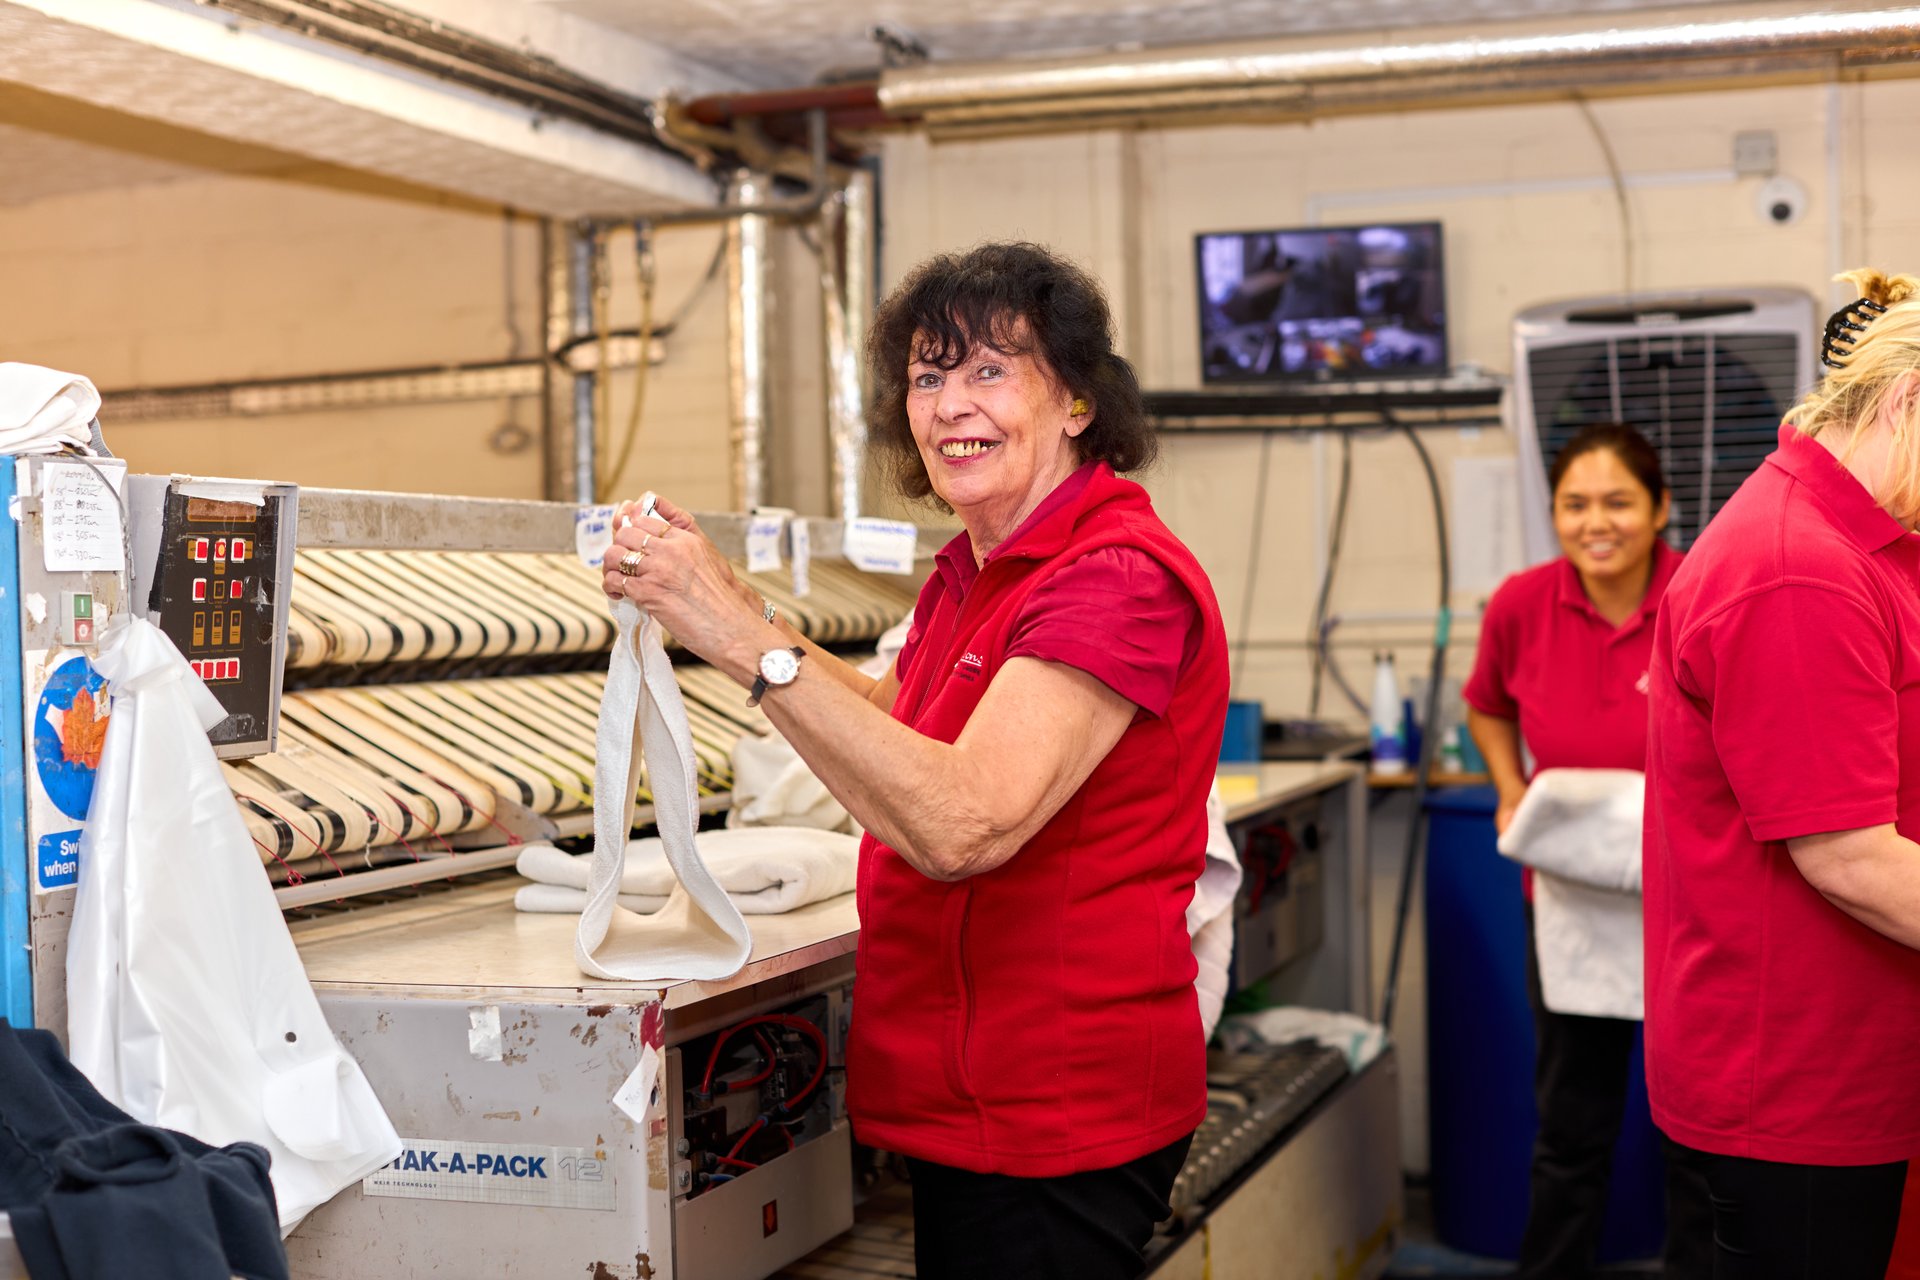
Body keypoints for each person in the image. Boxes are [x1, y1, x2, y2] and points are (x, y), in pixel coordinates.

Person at [601, 241, 1230, 1280]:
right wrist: (724, 598)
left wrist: (729, 632)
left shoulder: (1113, 575)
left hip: (1053, 1107)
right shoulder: (974, 572)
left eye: (991, 369)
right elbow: (888, 723)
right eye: (929, 376)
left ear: (1077, 401)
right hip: (968, 1095)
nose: (949, 404)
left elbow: (962, 819)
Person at [1644, 268, 1920, 1278]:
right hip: (1800, 1081)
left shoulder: (1869, 538)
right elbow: (1851, 856)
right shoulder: (1796, 566)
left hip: (1856, 1049)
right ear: (1904, 399)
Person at [1464, 422, 1683, 1279]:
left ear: (1661, 509)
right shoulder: (1523, 603)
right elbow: (1486, 703)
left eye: (1619, 502)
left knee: (1698, 1132)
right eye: (1575, 504)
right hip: (1568, 907)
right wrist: (1508, 787)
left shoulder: (1701, 592)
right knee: (1571, 1129)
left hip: (1689, 907)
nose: (1598, 522)